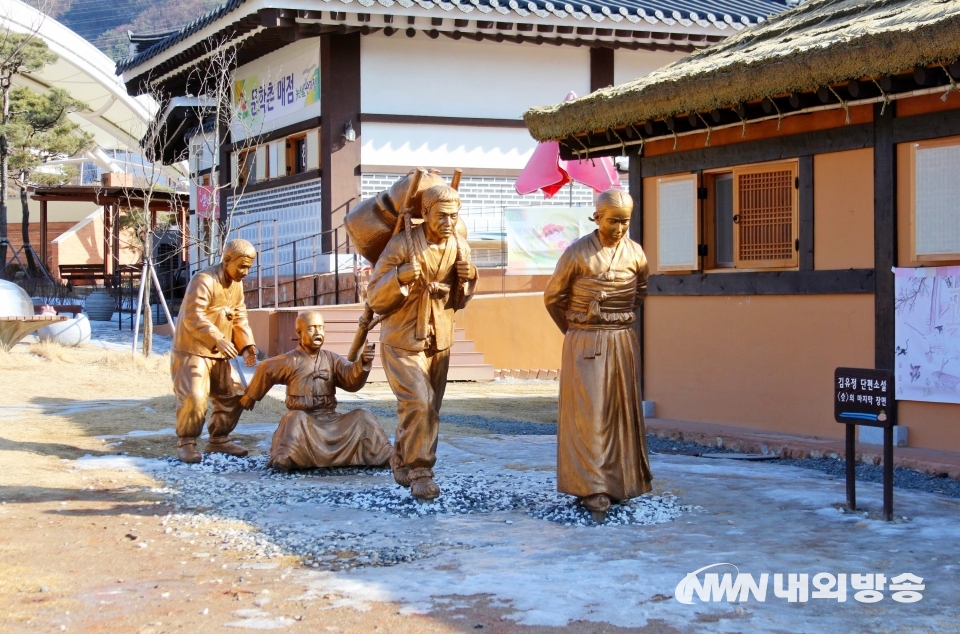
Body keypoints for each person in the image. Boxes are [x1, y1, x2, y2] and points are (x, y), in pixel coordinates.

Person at [543, 189, 652, 520]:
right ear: (597, 217)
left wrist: (614, 318)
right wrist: (576, 330)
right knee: (591, 416)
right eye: (612, 221)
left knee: (622, 413)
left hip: (621, 340)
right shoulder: (577, 253)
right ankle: (592, 486)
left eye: (625, 222)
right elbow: (553, 298)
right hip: (585, 340)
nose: (619, 228)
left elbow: (641, 292)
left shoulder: (635, 253)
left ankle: (621, 482)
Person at [366, 184, 477, 500]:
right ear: (425, 214)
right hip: (402, 339)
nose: (449, 223)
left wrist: (468, 278)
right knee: (421, 403)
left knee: (428, 409)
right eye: (441, 216)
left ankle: (401, 455)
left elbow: (461, 298)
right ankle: (420, 471)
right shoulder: (403, 245)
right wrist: (400, 276)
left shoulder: (459, 246)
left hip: (438, 339)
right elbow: (374, 296)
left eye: (454, 216)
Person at [238, 311, 392, 471]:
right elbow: (265, 368)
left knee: (363, 415)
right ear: (299, 333)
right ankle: (286, 456)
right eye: (311, 328)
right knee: (293, 419)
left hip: (332, 421)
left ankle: (385, 453)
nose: (318, 333)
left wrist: (363, 362)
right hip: (305, 422)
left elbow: (350, 379)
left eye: (321, 328)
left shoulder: (331, 359)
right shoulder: (290, 360)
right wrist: (251, 395)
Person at [171, 239, 258, 463]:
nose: (245, 272)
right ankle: (187, 442)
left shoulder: (237, 285)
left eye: (249, 267)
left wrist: (247, 346)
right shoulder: (204, 280)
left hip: (221, 353)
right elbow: (193, 315)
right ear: (226, 260)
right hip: (193, 350)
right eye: (241, 266)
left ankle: (219, 439)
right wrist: (218, 338)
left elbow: (239, 315)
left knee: (236, 394)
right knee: (195, 396)